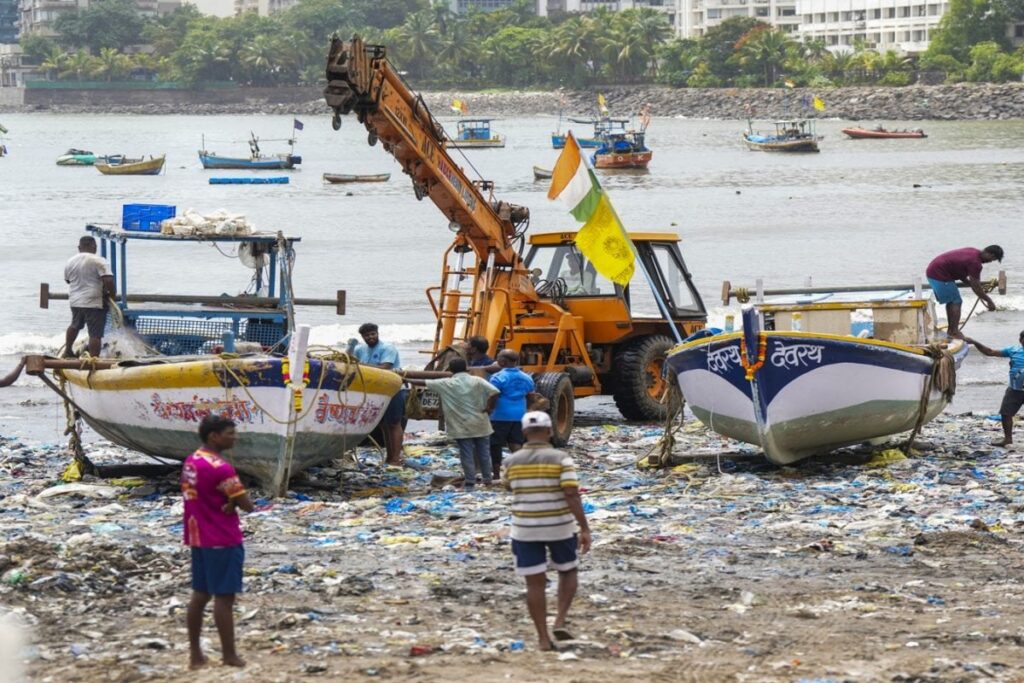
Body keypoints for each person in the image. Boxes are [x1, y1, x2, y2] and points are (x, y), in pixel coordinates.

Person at [503, 411, 591, 651]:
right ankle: (560, 619)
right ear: (550, 431)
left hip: (524, 529)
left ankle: (543, 638)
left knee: (534, 584)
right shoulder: (561, 459)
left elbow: (509, 486)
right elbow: (571, 494)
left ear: (523, 433)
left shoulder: (511, 461)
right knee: (568, 570)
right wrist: (584, 527)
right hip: (559, 527)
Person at [182, 415, 254, 670]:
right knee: (224, 598)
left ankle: (195, 655)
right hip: (222, 537)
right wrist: (235, 500)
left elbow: (204, 494)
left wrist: (229, 500)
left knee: (200, 595)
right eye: (230, 433)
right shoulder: (221, 467)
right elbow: (248, 505)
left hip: (198, 536)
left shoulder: (192, 461)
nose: (235, 437)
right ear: (214, 435)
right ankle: (229, 655)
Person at [407, 357, 500, 490]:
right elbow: (495, 392)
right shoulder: (477, 380)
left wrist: (405, 379)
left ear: (450, 370)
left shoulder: (446, 383)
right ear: (467, 368)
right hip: (480, 422)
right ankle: (487, 480)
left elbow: (423, 382)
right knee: (484, 453)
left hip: (460, 425)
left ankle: (470, 481)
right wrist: (490, 407)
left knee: (466, 453)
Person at [353, 322, 406, 465]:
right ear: (362, 337)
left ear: (377, 333)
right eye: (367, 335)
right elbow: (351, 363)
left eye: (372, 334)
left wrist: (361, 365)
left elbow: (385, 367)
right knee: (383, 425)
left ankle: (395, 458)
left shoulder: (388, 348)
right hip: (375, 392)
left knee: (394, 423)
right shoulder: (359, 349)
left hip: (393, 390)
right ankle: (389, 457)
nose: (370, 337)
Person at [925, 245, 1002, 338]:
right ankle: (953, 332)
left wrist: (968, 282)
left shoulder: (973, 251)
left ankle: (952, 330)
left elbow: (958, 266)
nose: (990, 261)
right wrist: (989, 301)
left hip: (935, 269)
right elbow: (976, 286)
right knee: (956, 302)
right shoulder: (975, 263)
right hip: (938, 274)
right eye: (992, 259)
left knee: (952, 301)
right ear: (989, 254)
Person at [964, 331, 1024, 448]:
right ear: (1020, 340)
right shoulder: (1013, 350)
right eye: (1023, 338)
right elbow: (989, 352)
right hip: (1014, 389)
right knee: (1006, 414)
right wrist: (974, 342)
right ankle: (1008, 439)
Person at [64, 236, 115, 358]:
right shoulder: (99, 260)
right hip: (94, 302)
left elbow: (68, 280)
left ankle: (68, 350)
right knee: (95, 334)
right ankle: (94, 360)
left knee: (75, 325)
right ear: (95, 247)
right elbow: (108, 280)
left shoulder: (70, 261)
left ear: (79, 248)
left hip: (75, 301)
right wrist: (112, 296)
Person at [489, 349, 535, 478]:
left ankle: (497, 474)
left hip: (500, 415)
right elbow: (531, 396)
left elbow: (493, 395)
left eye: (498, 358)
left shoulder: (498, 377)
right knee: (516, 443)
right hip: (519, 414)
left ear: (503, 361)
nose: (497, 360)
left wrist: (489, 408)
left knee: (495, 444)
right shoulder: (527, 377)